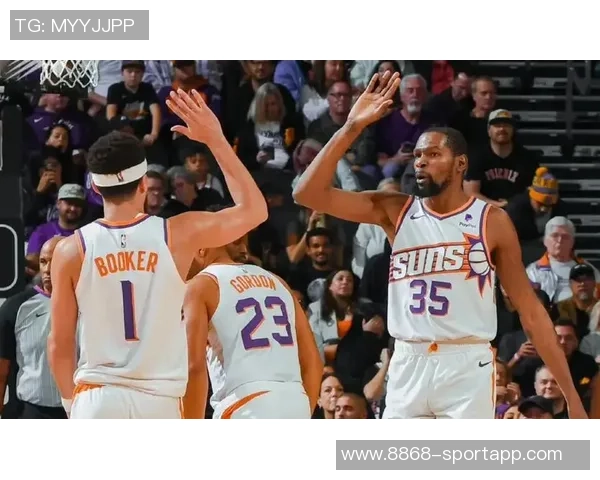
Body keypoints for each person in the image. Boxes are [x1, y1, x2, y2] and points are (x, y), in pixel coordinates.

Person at [292, 70, 587, 419]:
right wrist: (352, 126)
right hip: (407, 360)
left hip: (465, 362)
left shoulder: (490, 220)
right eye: (418, 155)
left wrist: (571, 395)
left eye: (433, 154)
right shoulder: (394, 210)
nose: (420, 161)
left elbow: (531, 312)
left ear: (461, 164)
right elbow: (306, 193)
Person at [47, 89, 268, 419]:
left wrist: (72, 404)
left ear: (94, 188)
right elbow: (255, 211)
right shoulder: (179, 233)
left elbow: (59, 345)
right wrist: (216, 140)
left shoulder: (70, 250)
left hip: (98, 397)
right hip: (161, 400)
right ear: (143, 184)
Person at [182, 220, 322, 419]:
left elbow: (194, 367)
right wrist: (303, 411)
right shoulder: (278, 282)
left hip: (245, 402)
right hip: (295, 398)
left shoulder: (201, 285)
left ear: (201, 249)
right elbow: (313, 361)